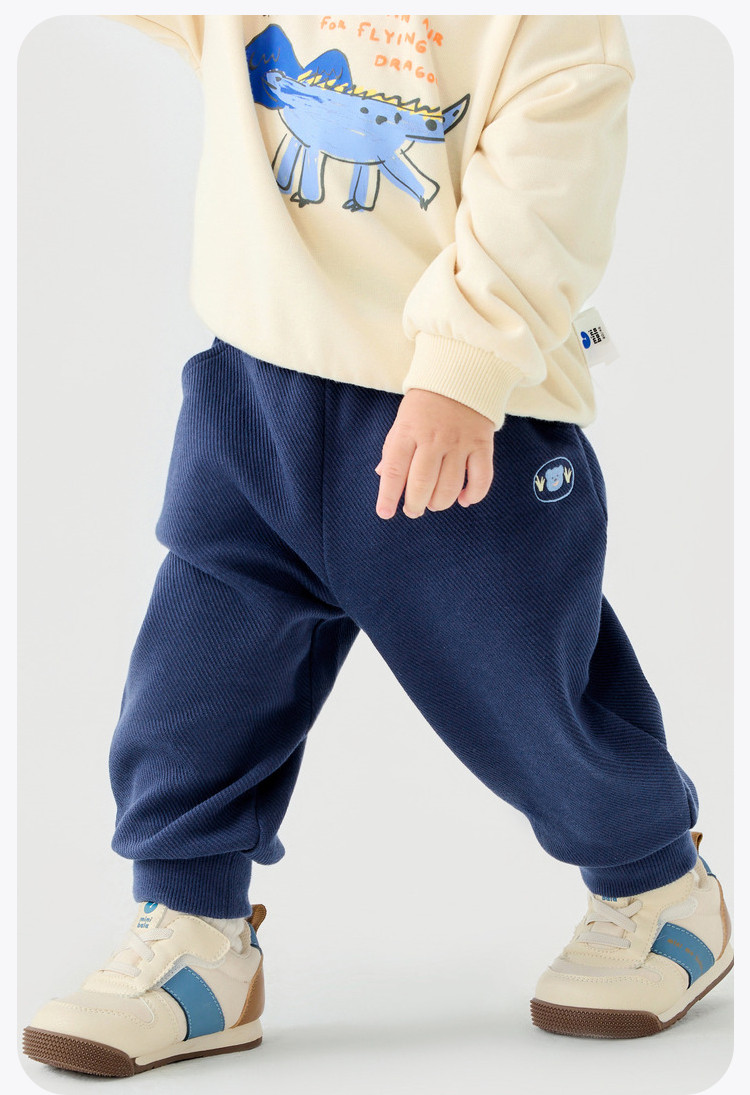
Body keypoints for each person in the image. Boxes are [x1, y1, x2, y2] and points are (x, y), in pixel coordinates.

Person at [23, 13, 732, 1078]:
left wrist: (463, 367)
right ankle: (194, 930)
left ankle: (656, 884)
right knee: (193, 681)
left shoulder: (549, 25)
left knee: (527, 688)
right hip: (251, 398)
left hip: (453, 421)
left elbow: (547, 197)